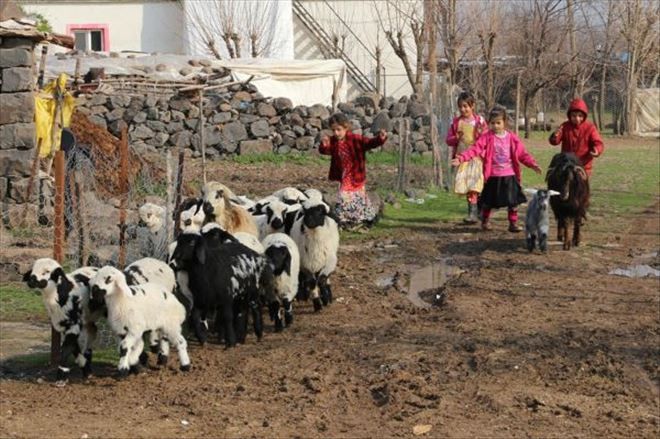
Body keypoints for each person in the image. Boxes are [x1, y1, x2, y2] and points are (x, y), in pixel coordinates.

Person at [451, 106, 542, 232]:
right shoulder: (487, 137)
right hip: (493, 175)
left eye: (498, 123)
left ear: (505, 122)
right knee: (489, 201)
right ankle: (485, 221)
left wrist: (532, 164)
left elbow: (522, 154)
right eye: (492, 123)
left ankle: (513, 223)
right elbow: (475, 149)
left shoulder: (512, 138)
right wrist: (462, 158)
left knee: (513, 201)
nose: (495, 126)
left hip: (509, 174)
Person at [319, 113, 387, 230]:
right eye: (333, 130)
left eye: (339, 130)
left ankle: (347, 221)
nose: (336, 133)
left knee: (346, 196)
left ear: (346, 128)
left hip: (356, 174)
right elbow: (326, 151)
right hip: (344, 174)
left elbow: (370, 143)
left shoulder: (356, 139)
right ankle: (367, 219)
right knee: (355, 197)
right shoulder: (334, 141)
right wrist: (324, 145)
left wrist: (380, 138)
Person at [446, 91, 488, 224]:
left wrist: (480, 134)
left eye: (466, 106)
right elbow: (448, 140)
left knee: (475, 184)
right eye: (461, 107)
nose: (463, 109)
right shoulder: (456, 123)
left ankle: (477, 211)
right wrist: (455, 138)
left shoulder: (479, 121)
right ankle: (473, 212)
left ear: (472, 106)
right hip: (462, 158)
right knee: (468, 186)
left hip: (477, 157)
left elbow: (485, 139)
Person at [549, 98, 604, 177]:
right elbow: (554, 142)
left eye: (580, 116)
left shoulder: (590, 127)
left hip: (583, 166)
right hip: (566, 165)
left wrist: (597, 150)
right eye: (574, 116)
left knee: (580, 188)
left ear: (584, 116)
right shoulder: (565, 126)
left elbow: (598, 142)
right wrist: (555, 136)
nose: (577, 118)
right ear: (570, 116)